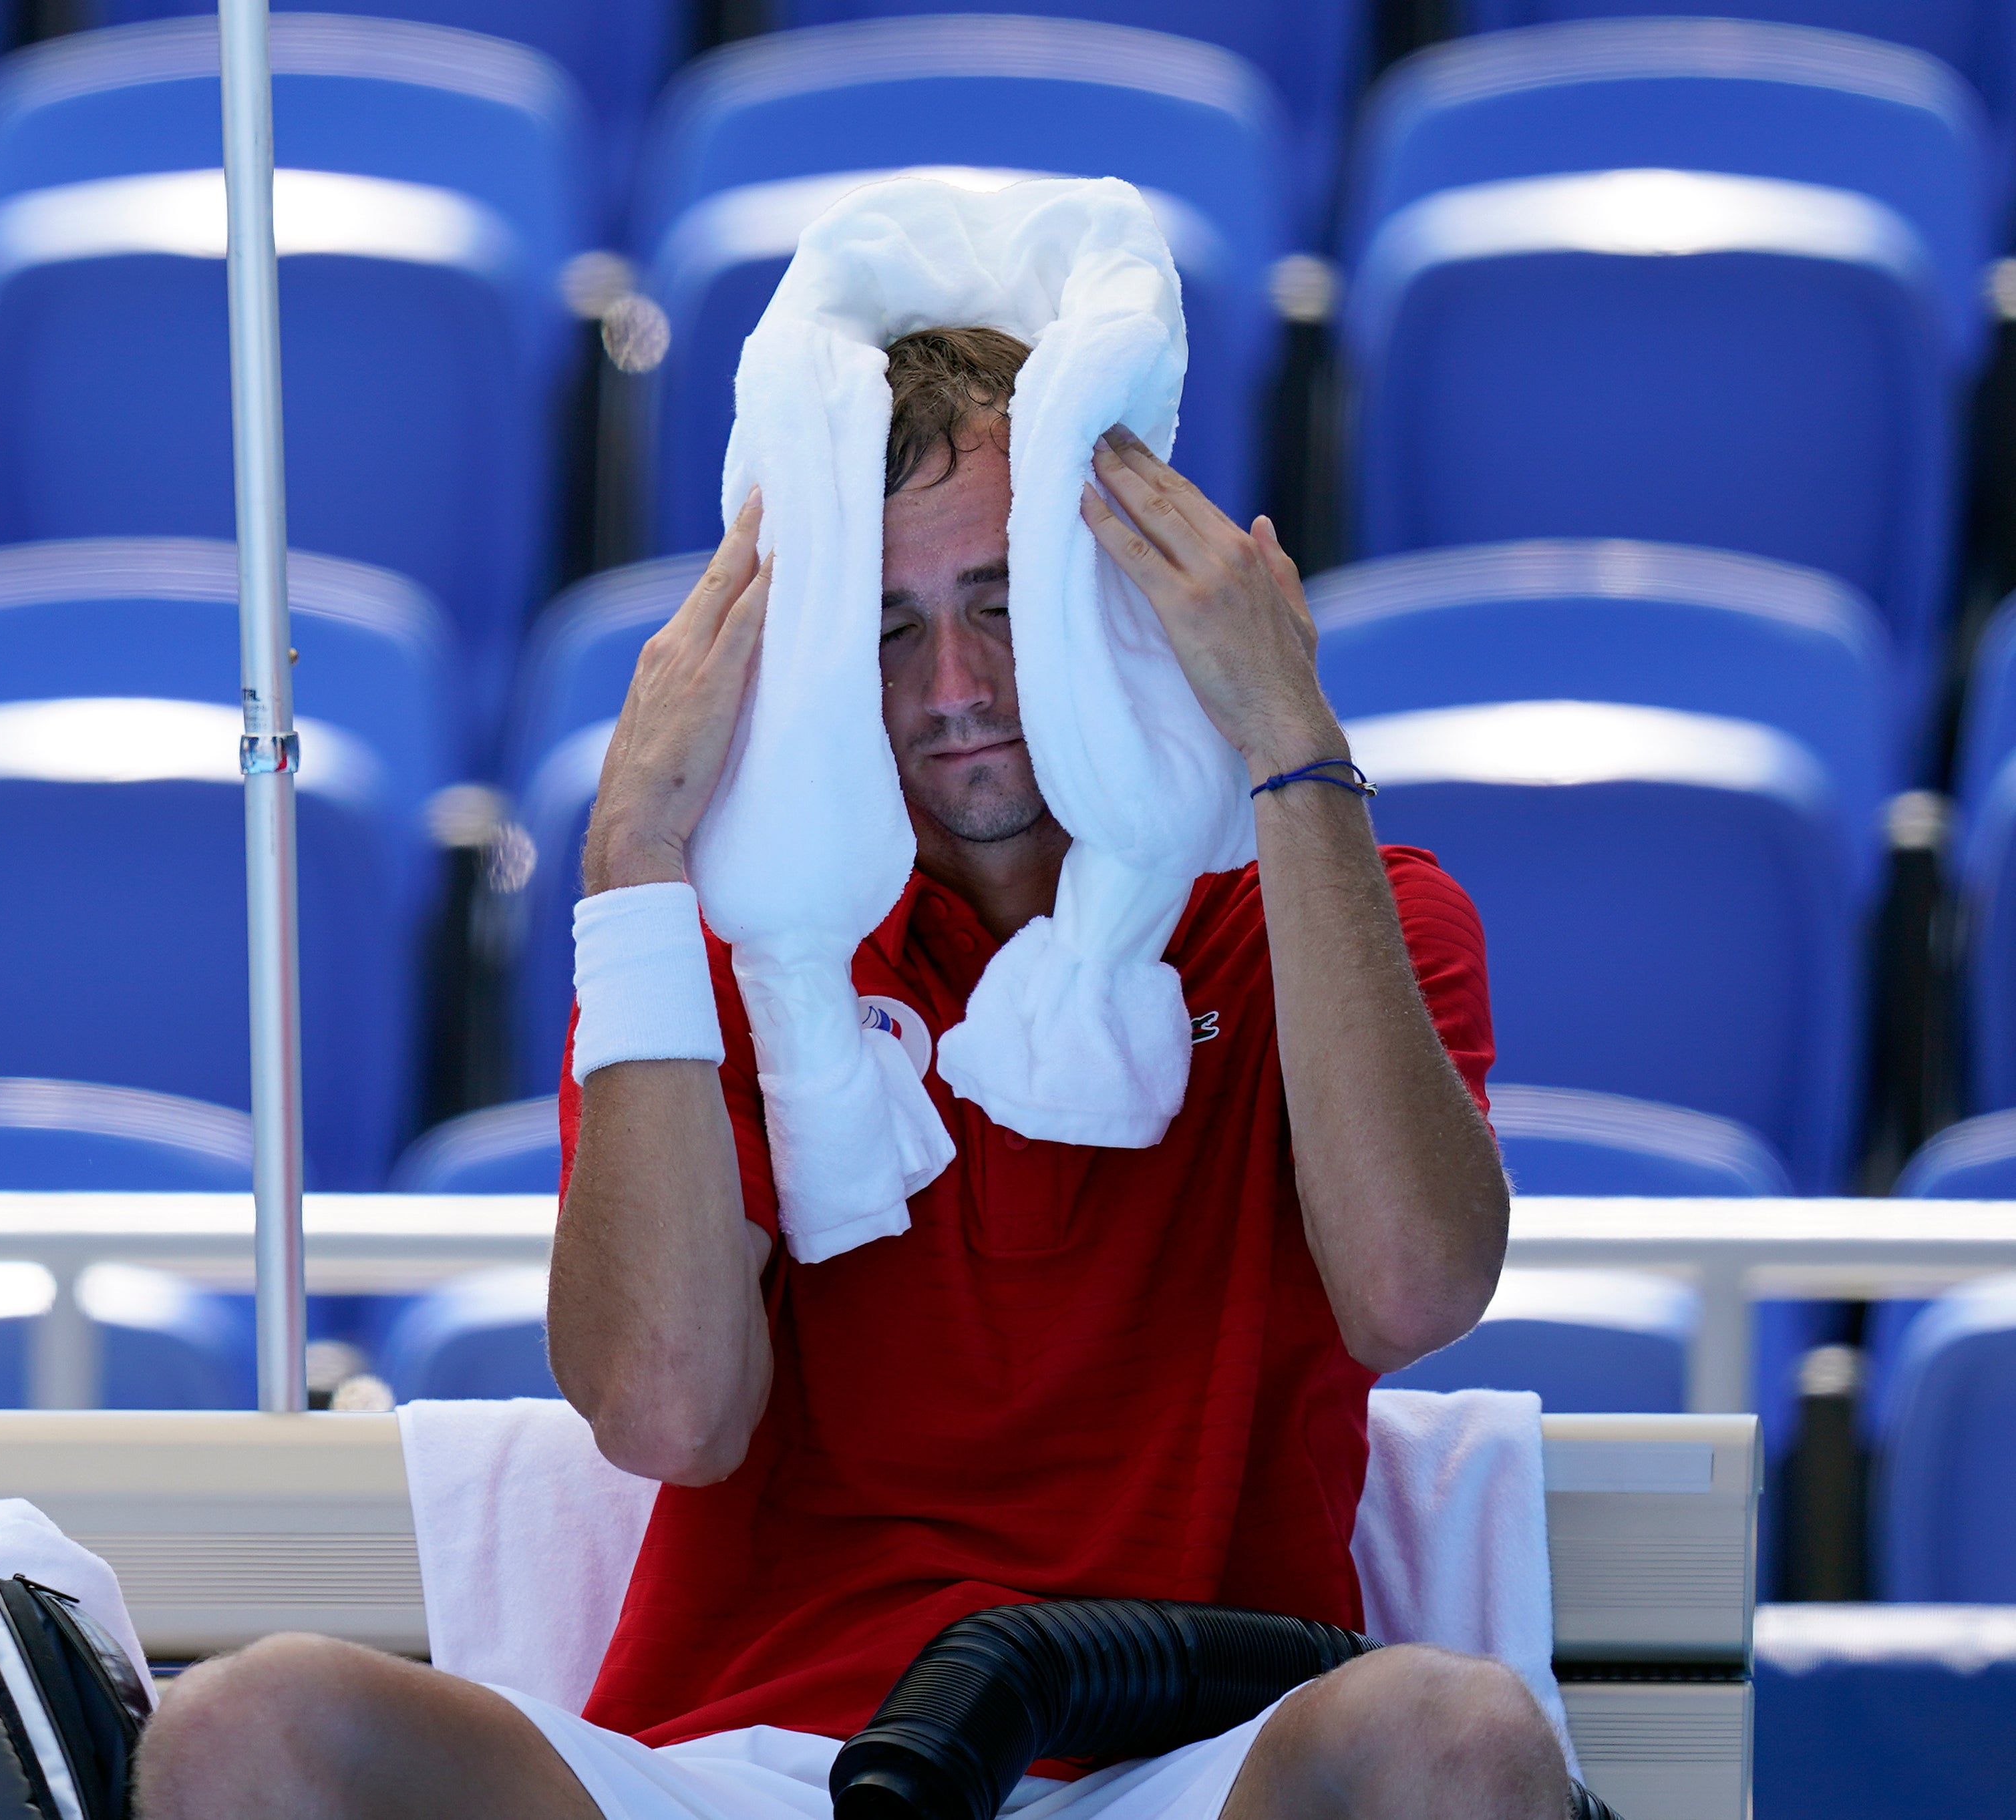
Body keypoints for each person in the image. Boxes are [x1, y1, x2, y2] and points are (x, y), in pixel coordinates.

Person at [136, 329, 1555, 1820]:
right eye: (883, 628)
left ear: (1121, 602)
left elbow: (1412, 1291)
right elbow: (667, 1410)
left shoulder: (1337, 906)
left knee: (1452, 1733)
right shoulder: (734, 941)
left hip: (1168, 1759)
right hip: (735, 1767)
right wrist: (635, 858)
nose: (953, 684)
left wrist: (1286, 738)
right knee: (248, 1725)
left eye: (1003, 602)